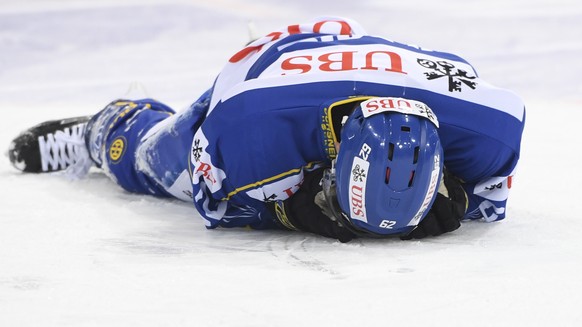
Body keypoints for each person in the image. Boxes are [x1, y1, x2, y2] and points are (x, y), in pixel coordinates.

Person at [8, 17, 525, 243]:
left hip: (354, 54)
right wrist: (284, 209)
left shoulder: (492, 130)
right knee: (148, 162)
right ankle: (104, 127)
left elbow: (481, 197)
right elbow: (218, 206)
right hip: (264, 70)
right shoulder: (246, 128)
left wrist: (453, 191)